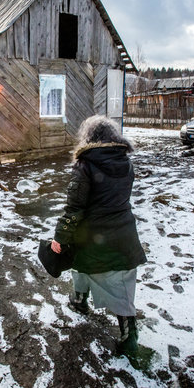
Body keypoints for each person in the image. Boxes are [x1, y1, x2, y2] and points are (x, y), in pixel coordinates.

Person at [51, 115, 147, 356]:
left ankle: (79, 301)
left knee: (81, 263)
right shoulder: (126, 163)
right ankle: (128, 336)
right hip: (125, 234)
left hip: (92, 236)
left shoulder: (84, 165)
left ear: (89, 137)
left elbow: (74, 209)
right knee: (123, 281)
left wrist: (60, 237)